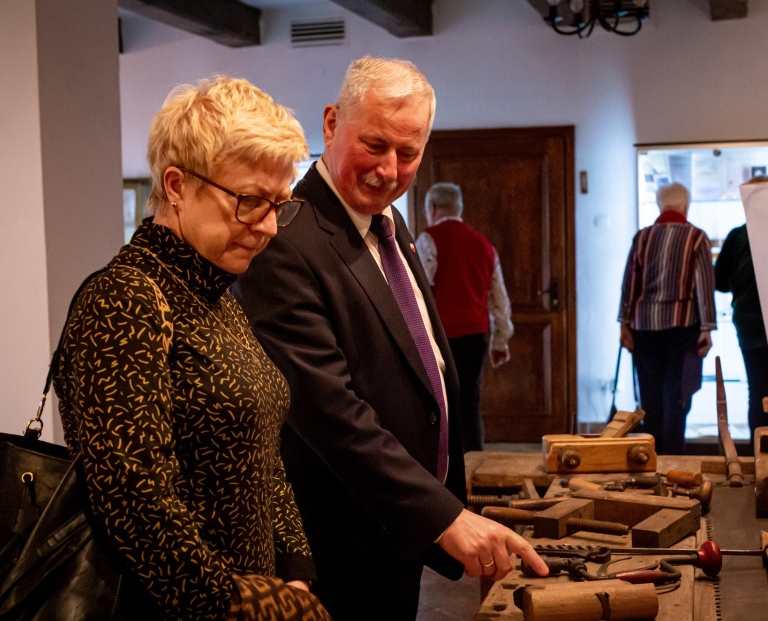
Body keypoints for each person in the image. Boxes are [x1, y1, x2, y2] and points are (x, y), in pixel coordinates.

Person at [233, 57, 547, 621]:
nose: (389, 170)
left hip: (393, 530)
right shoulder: (286, 237)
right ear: (330, 124)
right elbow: (328, 411)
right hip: (337, 539)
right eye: (374, 145)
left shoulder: (389, 222)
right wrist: (442, 516)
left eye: (409, 153)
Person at [54, 76, 330, 621]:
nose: (270, 227)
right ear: (176, 185)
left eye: (280, 204)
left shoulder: (213, 291)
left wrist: (295, 573)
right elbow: (130, 491)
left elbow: (261, 449)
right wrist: (234, 602)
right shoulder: (126, 296)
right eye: (250, 201)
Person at [617, 182, 717, 454]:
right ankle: (673, 459)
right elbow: (704, 285)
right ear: (686, 206)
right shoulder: (696, 237)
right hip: (682, 329)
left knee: (649, 397)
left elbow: (629, 284)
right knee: (677, 397)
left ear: (661, 206)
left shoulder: (642, 237)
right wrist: (707, 328)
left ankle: (649, 457)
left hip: (644, 328)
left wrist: (624, 324)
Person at [415, 182, 514, 452]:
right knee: (469, 403)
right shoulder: (484, 244)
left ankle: (445, 468)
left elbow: (418, 291)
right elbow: (499, 298)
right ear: (459, 208)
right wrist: (500, 341)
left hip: (441, 339)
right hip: (476, 336)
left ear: (432, 208)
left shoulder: (428, 239)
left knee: (439, 405)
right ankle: (474, 462)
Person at [715, 176, 768, 448]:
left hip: (749, 321)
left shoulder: (738, 234)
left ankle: (761, 458)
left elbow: (719, 282)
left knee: (759, 391)